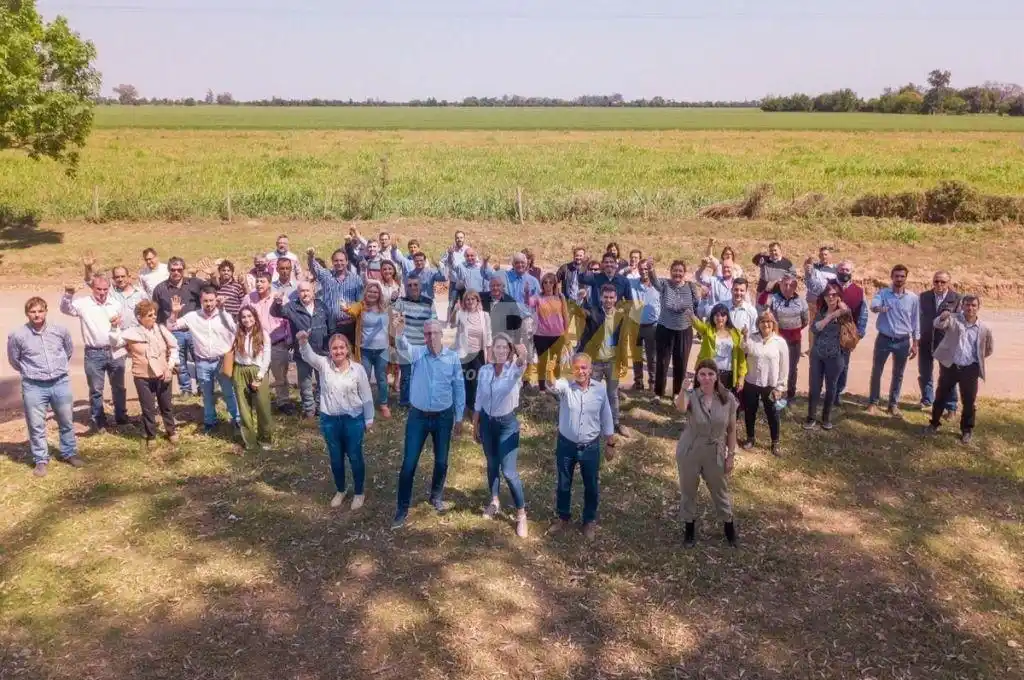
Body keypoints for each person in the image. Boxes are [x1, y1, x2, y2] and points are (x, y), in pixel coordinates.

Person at [391, 318, 466, 529]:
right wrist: (399, 332)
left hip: (443, 417)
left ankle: (436, 495)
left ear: (441, 334)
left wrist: (459, 417)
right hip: (418, 417)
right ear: (423, 337)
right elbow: (403, 346)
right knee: (409, 464)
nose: (431, 337)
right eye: (427, 334)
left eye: (434, 333)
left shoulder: (452, 358)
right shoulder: (417, 354)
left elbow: (459, 388)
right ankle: (402, 508)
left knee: (441, 461)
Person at [298, 330, 374, 510]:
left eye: (341, 347)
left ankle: (358, 492)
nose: (338, 351)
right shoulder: (324, 365)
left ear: (347, 349)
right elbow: (309, 356)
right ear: (330, 350)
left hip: (353, 420)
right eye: (334, 348)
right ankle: (340, 490)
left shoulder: (358, 369)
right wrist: (303, 341)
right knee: (335, 458)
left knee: (355, 457)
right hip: (330, 420)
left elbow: (366, 394)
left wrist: (369, 418)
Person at [7, 297, 84, 476]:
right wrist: (31, 372)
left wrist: (58, 367)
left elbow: (68, 350)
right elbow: (14, 360)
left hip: (60, 382)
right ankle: (41, 460)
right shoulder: (18, 335)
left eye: (40, 311)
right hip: (34, 386)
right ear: (27, 314)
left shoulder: (60, 330)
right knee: (36, 425)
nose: (37, 315)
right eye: (33, 312)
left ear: (46, 311)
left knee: (66, 420)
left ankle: (69, 453)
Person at [546, 353, 615, 540]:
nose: (581, 371)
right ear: (572, 369)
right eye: (576, 368)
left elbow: (606, 416)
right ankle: (562, 517)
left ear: (590, 369)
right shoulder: (566, 385)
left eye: (584, 368)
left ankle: (589, 520)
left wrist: (610, 442)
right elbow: (553, 385)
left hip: (590, 446)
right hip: (566, 445)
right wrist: (550, 372)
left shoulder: (600, 389)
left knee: (591, 485)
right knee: (563, 482)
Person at [675, 359, 739, 548]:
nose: (706, 378)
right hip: (690, 449)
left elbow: (732, 429)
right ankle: (689, 530)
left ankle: (729, 529)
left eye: (710, 374)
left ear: (717, 376)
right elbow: (680, 408)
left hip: (715, 451)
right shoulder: (691, 395)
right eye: (702, 374)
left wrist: (731, 455)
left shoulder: (728, 398)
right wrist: (683, 389)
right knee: (688, 490)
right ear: (697, 376)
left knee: (720, 491)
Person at [473, 334, 530, 538]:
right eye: (497, 347)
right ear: (492, 350)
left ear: (509, 351)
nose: (500, 351)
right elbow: (479, 397)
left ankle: (521, 514)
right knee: (491, 464)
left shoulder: (513, 370)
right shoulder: (484, 371)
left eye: (504, 348)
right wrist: (475, 423)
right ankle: (494, 501)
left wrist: (522, 353)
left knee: (508, 471)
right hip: (487, 423)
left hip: (507, 425)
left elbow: (522, 362)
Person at [60, 273, 128, 432]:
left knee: (119, 387)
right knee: (96, 389)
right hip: (94, 353)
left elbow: (121, 327)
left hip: (115, 351)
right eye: (99, 289)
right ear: (93, 288)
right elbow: (65, 309)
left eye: (105, 289)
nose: (102, 292)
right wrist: (68, 294)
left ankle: (122, 419)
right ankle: (98, 421)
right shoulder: (83, 303)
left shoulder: (115, 303)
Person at [167, 287, 240, 432]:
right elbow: (171, 326)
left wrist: (223, 309)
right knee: (207, 394)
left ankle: (237, 419)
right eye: (205, 301)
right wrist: (174, 313)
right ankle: (210, 421)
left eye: (211, 300)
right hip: (202, 362)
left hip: (222, 361)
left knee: (228, 392)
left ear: (216, 299)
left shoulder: (223, 315)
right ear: (200, 301)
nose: (209, 304)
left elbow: (235, 329)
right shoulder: (192, 317)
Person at [924, 297, 994, 445]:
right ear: (962, 306)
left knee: (969, 401)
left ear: (978, 307)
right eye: (967, 305)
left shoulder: (984, 328)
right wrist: (942, 316)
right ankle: (934, 423)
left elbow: (988, 349)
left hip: (970, 368)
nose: (970, 308)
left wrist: (975, 361)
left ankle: (967, 430)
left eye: (973, 305)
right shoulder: (954, 319)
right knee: (941, 396)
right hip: (951, 366)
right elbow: (937, 324)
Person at [109, 299, 179, 446]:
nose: (153, 317)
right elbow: (115, 343)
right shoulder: (131, 333)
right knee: (148, 408)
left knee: (166, 405)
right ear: (140, 318)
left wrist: (170, 365)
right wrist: (114, 327)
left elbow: (174, 347)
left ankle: (171, 431)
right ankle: (151, 436)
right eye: (149, 315)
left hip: (163, 373)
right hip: (142, 377)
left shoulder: (160, 329)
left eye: (154, 314)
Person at [805, 259, 867, 405]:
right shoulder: (827, 285)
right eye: (841, 269)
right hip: (825, 332)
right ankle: (820, 393)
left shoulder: (858, 291)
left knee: (843, 365)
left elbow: (863, 314)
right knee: (821, 362)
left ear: (851, 272)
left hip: (845, 335)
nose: (844, 272)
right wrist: (808, 273)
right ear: (836, 270)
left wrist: (859, 333)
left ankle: (836, 393)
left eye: (847, 270)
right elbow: (812, 285)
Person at [270, 280, 331, 419]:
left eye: (307, 290)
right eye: (302, 291)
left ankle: (321, 407)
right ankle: (309, 409)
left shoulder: (322, 306)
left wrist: (330, 345)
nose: (305, 293)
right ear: (298, 293)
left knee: (323, 381)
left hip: (322, 351)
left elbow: (331, 325)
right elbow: (276, 312)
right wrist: (277, 302)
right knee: (305, 383)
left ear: (313, 291)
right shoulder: (292, 307)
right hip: (302, 352)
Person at [867, 264, 920, 417]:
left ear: (906, 278)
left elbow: (916, 321)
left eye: (902, 276)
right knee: (877, 371)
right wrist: (879, 308)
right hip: (884, 339)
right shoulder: (883, 293)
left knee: (898, 374)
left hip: (903, 341)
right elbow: (874, 305)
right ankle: (873, 402)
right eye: (896, 276)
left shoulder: (913, 298)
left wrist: (915, 343)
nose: (899, 279)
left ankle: (893, 405)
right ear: (891, 277)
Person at [578, 284, 630, 436]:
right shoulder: (593, 312)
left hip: (613, 361)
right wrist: (580, 300)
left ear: (616, 299)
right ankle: (591, 423)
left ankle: (615, 423)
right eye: (605, 297)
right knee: (591, 393)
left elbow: (623, 340)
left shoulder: (621, 317)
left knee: (612, 394)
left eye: (611, 297)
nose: (608, 300)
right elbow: (582, 314)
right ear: (601, 298)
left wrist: (623, 360)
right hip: (595, 362)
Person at [222, 306, 273, 453]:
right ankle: (249, 440)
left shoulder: (263, 334)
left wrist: (260, 376)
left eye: (250, 316)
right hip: (240, 370)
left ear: (255, 317)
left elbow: (267, 358)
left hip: (257, 370)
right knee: (244, 408)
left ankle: (265, 438)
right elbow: (226, 321)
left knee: (262, 407)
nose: (247, 320)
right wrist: (221, 308)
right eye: (244, 317)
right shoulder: (237, 333)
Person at [152, 256, 204, 396]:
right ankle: (185, 388)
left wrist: (212, 275)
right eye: (173, 270)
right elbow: (155, 311)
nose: (176, 272)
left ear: (183, 269)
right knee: (179, 362)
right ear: (169, 270)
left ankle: (202, 387)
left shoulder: (195, 284)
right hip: (174, 331)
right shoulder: (160, 289)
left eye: (179, 269)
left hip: (194, 330)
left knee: (199, 358)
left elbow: (212, 290)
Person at [650, 260, 700, 399]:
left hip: (684, 329)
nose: (677, 273)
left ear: (684, 273)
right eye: (675, 270)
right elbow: (654, 281)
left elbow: (697, 304)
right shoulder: (665, 284)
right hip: (665, 327)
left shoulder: (690, 287)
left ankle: (677, 393)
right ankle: (658, 393)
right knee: (662, 361)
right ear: (670, 271)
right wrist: (651, 269)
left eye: (680, 271)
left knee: (681, 363)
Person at [740, 311, 789, 456]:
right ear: (758, 324)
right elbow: (743, 348)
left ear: (773, 324)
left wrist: (780, 387)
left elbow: (784, 367)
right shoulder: (752, 339)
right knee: (750, 411)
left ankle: (775, 442)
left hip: (770, 385)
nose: (766, 324)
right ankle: (750, 438)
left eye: (769, 322)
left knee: (772, 414)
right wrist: (744, 336)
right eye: (762, 321)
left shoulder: (779, 342)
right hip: (752, 381)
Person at [804, 282, 850, 431]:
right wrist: (831, 316)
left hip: (836, 356)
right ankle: (811, 418)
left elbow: (850, 319)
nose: (831, 297)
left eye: (834, 294)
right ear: (823, 297)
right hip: (818, 355)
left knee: (831, 388)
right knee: (815, 387)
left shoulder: (843, 312)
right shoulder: (821, 312)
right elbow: (815, 329)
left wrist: (840, 310)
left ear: (839, 296)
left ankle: (826, 418)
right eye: (828, 294)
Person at [343, 280, 392, 419]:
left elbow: (392, 325)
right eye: (370, 291)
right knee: (364, 378)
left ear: (379, 294)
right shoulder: (360, 306)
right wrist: (346, 309)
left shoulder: (385, 308)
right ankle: (365, 404)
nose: (372, 294)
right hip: (365, 350)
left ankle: (383, 404)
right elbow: (351, 311)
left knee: (381, 378)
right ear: (366, 293)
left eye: (375, 292)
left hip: (382, 349)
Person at [245, 273, 294, 414]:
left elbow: (288, 318)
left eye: (262, 281)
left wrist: (289, 339)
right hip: (257, 344)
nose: (259, 284)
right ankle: (259, 401)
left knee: (280, 376)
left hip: (277, 343)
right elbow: (241, 316)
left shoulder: (278, 297)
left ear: (270, 283)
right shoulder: (249, 298)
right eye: (257, 281)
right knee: (258, 373)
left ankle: (283, 401)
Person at [919, 270, 961, 416]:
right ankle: (927, 400)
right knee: (925, 373)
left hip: (946, 343)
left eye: (943, 282)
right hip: (925, 340)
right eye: (936, 281)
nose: (939, 284)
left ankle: (951, 407)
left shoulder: (956, 298)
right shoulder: (924, 297)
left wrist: (952, 315)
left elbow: (962, 320)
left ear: (949, 283)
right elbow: (918, 317)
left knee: (948, 375)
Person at [392, 277, 437, 407]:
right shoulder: (401, 302)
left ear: (421, 286)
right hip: (406, 345)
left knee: (422, 375)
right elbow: (393, 317)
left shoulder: (429, 303)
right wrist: (393, 301)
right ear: (406, 287)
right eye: (410, 285)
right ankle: (405, 401)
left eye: (415, 284)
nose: (413, 287)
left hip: (423, 345)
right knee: (406, 375)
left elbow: (434, 323)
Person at [307, 247, 364, 346]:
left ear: (347, 262)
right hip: (332, 326)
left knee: (352, 356)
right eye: (336, 261)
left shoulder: (356, 279)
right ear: (332, 262)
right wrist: (311, 257)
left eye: (342, 260)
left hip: (351, 325)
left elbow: (360, 302)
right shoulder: (326, 276)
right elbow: (314, 268)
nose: (339, 263)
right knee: (335, 354)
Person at [685, 304, 747, 395]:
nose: (720, 318)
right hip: (708, 374)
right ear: (713, 316)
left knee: (723, 404)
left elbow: (741, 358)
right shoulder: (707, 330)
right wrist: (690, 313)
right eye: (717, 315)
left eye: (723, 315)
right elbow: (696, 323)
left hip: (728, 375)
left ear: (727, 317)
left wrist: (741, 377)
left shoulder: (736, 333)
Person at [768, 273, 809, 403]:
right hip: (777, 340)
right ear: (780, 285)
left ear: (795, 287)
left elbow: (805, 321)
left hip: (794, 341)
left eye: (791, 285)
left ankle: (790, 394)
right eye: (784, 284)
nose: (787, 287)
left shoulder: (801, 302)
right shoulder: (774, 299)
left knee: (792, 368)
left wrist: (793, 330)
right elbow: (765, 311)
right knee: (776, 366)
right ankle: (774, 393)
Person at [453, 289, 492, 416]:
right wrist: (454, 309)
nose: (470, 301)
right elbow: (452, 323)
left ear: (477, 300)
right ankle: (463, 406)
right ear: (464, 302)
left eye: (473, 299)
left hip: (479, 353)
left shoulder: (484, 315)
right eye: (467, 299)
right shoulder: (460, 313)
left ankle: (474, 408)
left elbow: (489, 336)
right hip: (464, 354)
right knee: (463, 381)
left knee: (477, 382)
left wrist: (490, 356)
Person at [530, 273, 569, 390]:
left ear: (554, 284)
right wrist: (527, 293)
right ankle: (542, 388)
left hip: (557, 335)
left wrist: (566, 334)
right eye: (545, 282)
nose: (548, 285)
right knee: (542, 362)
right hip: (540, 335)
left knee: (556, 362)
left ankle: (556, 386)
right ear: (542, 284)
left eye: (550, 282)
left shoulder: (560, 297)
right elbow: (530, 303)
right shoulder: (538, 297)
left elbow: (565, 315)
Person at [631, 261, 660, 391]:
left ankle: (653, 382)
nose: (643, 271)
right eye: (641, 269)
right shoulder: (632, 284)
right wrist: (627, 268)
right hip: (635, 325)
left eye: (646, 269)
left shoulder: (658, 285)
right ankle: (638, 382)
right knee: (636, 355)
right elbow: (617, 278)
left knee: (652, 357)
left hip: (652, 326)